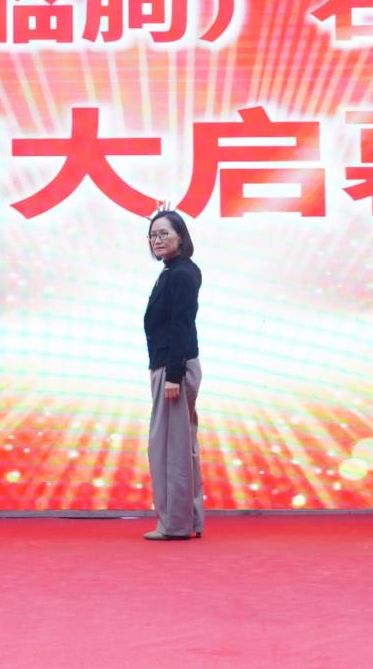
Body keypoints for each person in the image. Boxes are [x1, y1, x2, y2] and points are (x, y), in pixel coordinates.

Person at [142, 206, 204, 541]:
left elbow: (182, 326)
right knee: (180, 445)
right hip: (171, 365)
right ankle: (187, 520)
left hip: (173, 368)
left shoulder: (180, 274)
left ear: (181, 236)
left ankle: (176, 524)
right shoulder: (175, 270)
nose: (157, 239)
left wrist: (173, 376)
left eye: (164, 233)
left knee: (170, 449)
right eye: (153, 235)